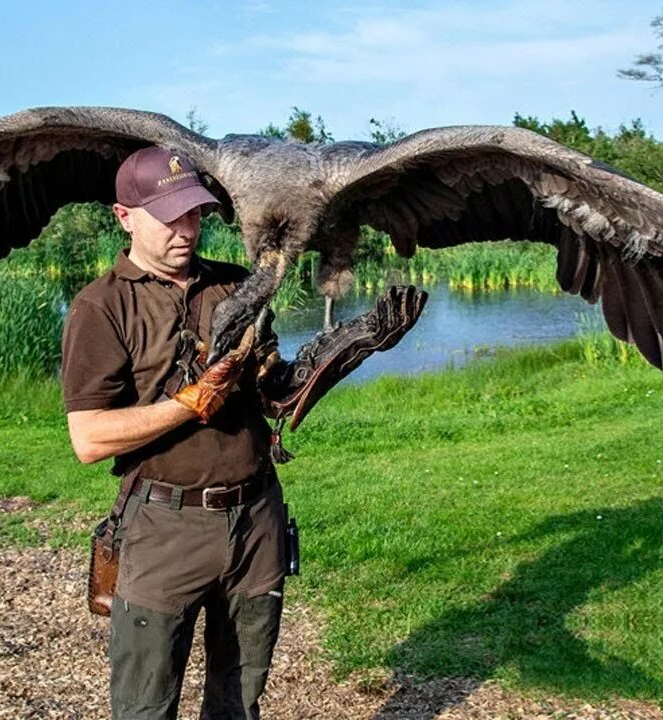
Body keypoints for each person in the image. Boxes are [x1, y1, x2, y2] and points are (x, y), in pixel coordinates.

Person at [62, 147, 425, 719]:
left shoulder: (237, 286)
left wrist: (352, 348)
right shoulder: (101, 306)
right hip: (164, 529)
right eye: (169, 216)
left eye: (195, 214)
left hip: (255, 521)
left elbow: (276, 394)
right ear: (124, 215)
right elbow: (89, 439)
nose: (186, 230)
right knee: (144, 707)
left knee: (239, 702)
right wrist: (192, 401)